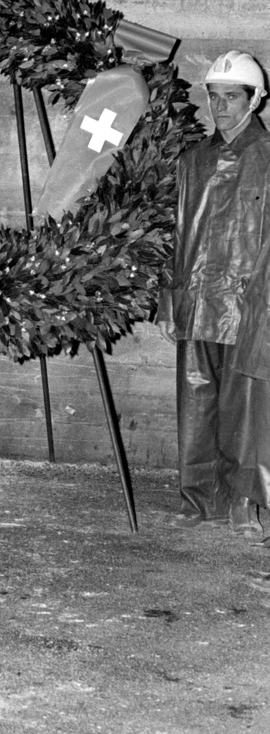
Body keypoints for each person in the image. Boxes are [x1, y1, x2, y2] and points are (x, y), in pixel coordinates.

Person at [159, 51, 270, 541]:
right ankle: (199, 498)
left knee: (246, 410)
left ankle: (245, 504)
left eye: (232, 97)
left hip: (249, 304)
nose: (221, 107)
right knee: (197, 402)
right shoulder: (193, 161)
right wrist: (169, 301)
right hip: (198, 298)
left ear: (255, 100)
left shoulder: (267, 158)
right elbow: (175, 234)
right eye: (215, 97)